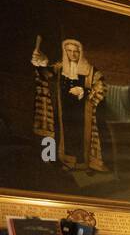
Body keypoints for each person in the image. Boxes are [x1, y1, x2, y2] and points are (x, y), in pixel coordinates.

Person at [31, 38, 109, 174]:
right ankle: (67, 162)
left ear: (81, 52)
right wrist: (40, 65)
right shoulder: (59, 67)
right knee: (66, 135)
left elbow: (101, 87)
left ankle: (84, 164)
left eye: (76, 52)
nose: (72, 54)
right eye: (69, 51)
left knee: (81, 136)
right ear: (65, 52)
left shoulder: (90, 71)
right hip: (64, 110)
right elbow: (47, 76)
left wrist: (84, 91)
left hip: (83, 112)